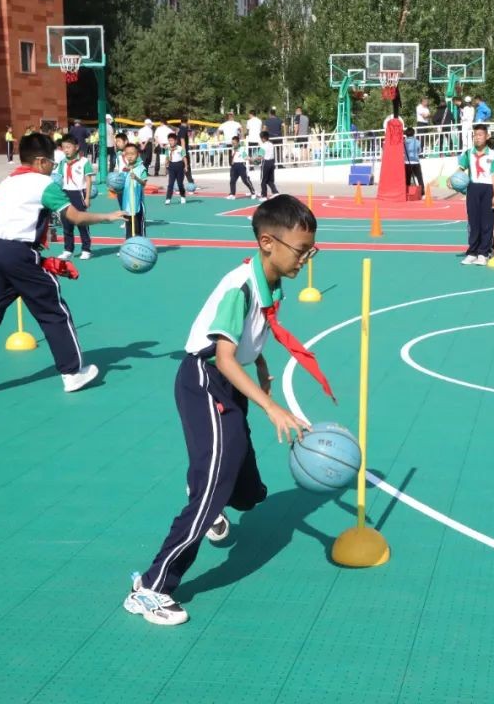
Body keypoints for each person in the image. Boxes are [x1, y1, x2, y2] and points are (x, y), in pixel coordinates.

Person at [123, 194, 334, 626]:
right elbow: (221, 356)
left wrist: (258, 363)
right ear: (267, 243)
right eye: (301, 250)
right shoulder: (242, 286)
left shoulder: (271, 281)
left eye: (312, 250)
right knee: (211, 490)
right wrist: (272, 406)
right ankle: (150, 587)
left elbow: (247, 336)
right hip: (206, 381)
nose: (306, 259)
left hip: (229, 381)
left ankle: (208, 492)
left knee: (249, 493)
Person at [0, 133, 124, 405]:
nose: (54, 167)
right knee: (54, 310)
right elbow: (75, 216)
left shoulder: (8, 181)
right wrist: (108, 216)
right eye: (52, 162)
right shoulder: (43, 183)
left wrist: (38, 252)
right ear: (40, 161)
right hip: (17, 254)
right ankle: (72, 372)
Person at [454, 123, 494, 266]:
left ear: (486, 136)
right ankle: (472, 252)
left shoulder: (493, 155)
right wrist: (452, 178)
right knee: (473, 222)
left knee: (487, 222)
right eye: (475, 135)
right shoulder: (468, 153)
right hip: (473, 189)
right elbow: (461, 169)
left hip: (488, 189)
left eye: (480, 135)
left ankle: (483, 253)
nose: (477, 138)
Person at [55, 137, 96, 260]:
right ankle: (68, 249)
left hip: (79, 194)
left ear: (76, 147)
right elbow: (59, 179)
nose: (66, 150)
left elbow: (88, 180)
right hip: (65, 194)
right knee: (66, 223)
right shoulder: (62, 162)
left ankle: (86, 249)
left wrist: (87, 197)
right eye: (63, 148)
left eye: (68, 147)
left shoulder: (84, 162)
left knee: (82, 222)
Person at [119, 143, 149, 238]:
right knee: (128, 227)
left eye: (132, 153)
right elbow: (121, 184)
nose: (130, 156)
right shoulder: (125, 169)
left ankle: (141, 245)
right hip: (127, 204)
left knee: (138, 228)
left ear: (138, 154)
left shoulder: (141, 168)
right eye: (127, 154)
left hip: (137, 204)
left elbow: (144, 183)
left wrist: (136, 178)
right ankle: (128, 246)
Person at [164, 132, 187, 205]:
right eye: (169, 140)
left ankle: (182, 197)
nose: (171, 142)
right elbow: (167, 158)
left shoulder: (180, 148)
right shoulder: (167, 149)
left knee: (180, 184)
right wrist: (166, 167)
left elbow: (184, 157)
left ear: (176, 141)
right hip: (171, 166)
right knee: (170, 184)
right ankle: (168, 199)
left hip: (180, 165)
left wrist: (186, 166)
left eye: (172, 140)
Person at [404, 127, 424, 198]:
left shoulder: (404, 142)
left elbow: (402, 152)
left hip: (407, 162)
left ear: (406, 134)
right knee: (419, 178)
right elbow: (419, 151)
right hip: (415, 161)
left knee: (407, 178)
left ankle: (406, 192)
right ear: (413, 133)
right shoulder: (417, 141)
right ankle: (422, 193)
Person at [258, 131, 278, 199]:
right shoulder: (271, 144)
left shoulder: (263, 145)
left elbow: (260, 156)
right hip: (272, 162)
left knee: (263, 180)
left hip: (265, 162)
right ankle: (275, 192)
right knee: (269, 180)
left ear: (263, 138)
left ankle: (264, 195)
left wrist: (252, 159)